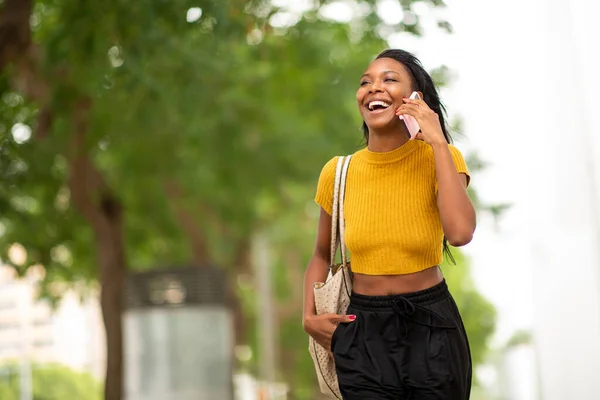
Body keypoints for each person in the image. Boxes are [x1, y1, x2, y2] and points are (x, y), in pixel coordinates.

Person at [302, 49, 476, 400]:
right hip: (361, 329)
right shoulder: (338, 172)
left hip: (432, 326)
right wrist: (308, 316)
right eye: (366, 82)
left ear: (415, 99)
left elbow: (459, 233)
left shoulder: (441, 159)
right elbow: (321, 253)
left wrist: (438, 140)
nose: (373, 88)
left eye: (389, 79)